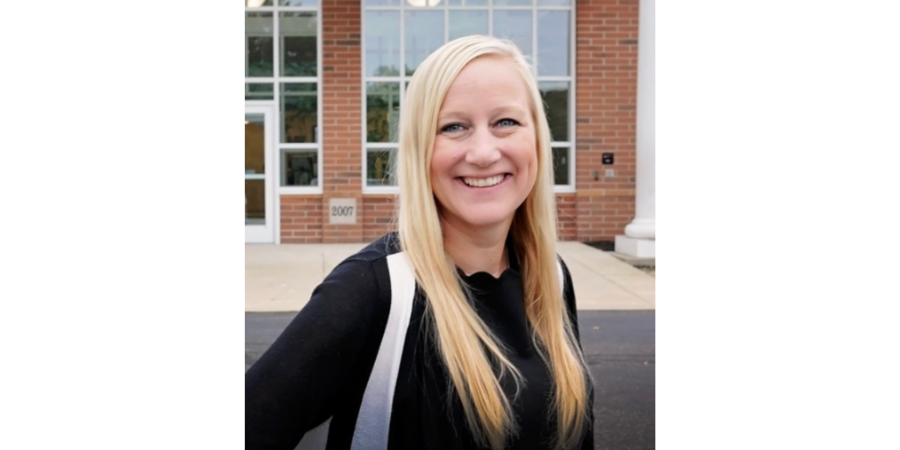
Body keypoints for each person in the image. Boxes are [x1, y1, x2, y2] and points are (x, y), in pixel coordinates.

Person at [244, 35, 594, 450]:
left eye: (506, 122)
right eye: (454, 127)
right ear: (420, 150)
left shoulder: (550, 277)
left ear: (536, 138)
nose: (483, 152)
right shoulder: (374, 289)